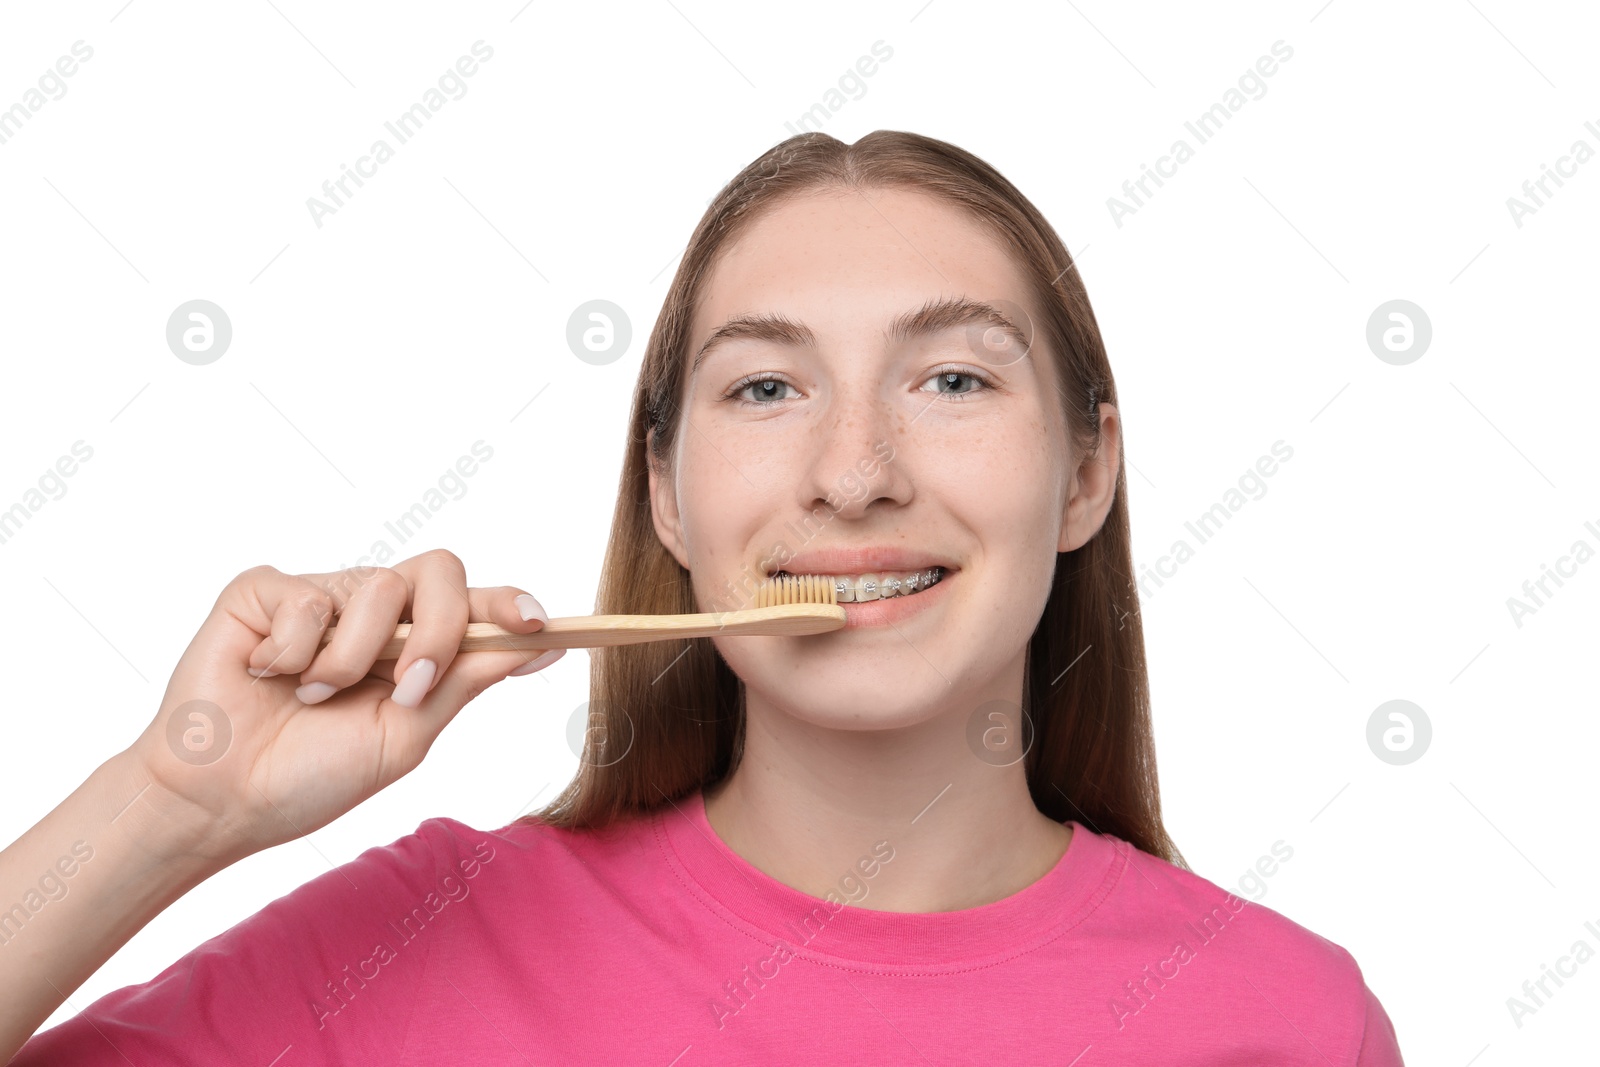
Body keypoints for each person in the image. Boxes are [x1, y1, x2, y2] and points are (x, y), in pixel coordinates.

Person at [1, 130, 1404, 1064]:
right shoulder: (416, 944)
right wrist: (171, 805)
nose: (854, 475)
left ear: (1087, 471)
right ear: (669, 491)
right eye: (767, 388)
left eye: (955, 379)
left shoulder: (1286, 1020)